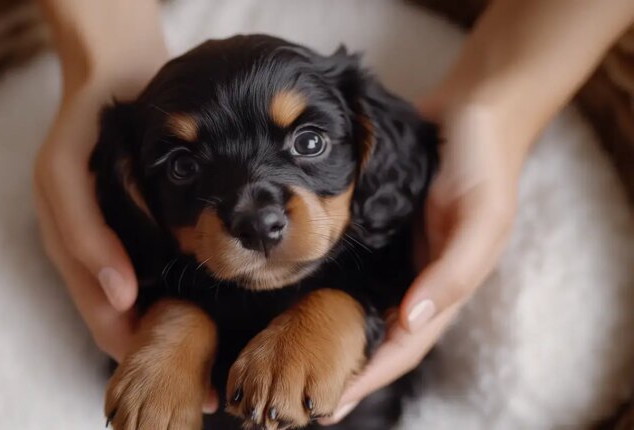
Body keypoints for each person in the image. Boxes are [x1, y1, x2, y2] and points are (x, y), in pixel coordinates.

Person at [33, 0, 634, 423]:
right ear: (136, 189)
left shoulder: (372, 231)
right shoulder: (163, 241)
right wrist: (172, 325)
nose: (260, 218)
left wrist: (343, 319)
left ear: (366, 143)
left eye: (309, 143)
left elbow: (381, 294)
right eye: (185, 168)